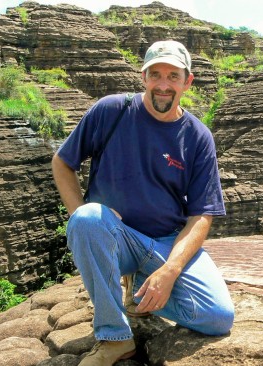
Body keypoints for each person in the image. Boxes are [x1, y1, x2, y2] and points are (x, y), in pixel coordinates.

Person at [52, 40, 234, 366]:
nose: (163, 85)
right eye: (156, 74)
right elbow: (63, 163)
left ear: (187, 81)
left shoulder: (197, 136)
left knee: (217, 317)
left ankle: (139, 288)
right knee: (87, 218)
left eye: (173, 76)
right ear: (144, 77)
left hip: (165, 241)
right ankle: (114, 338)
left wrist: (170, 271)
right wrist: (79, 215)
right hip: (115, 240)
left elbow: (201, 215)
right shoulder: (111, 110)